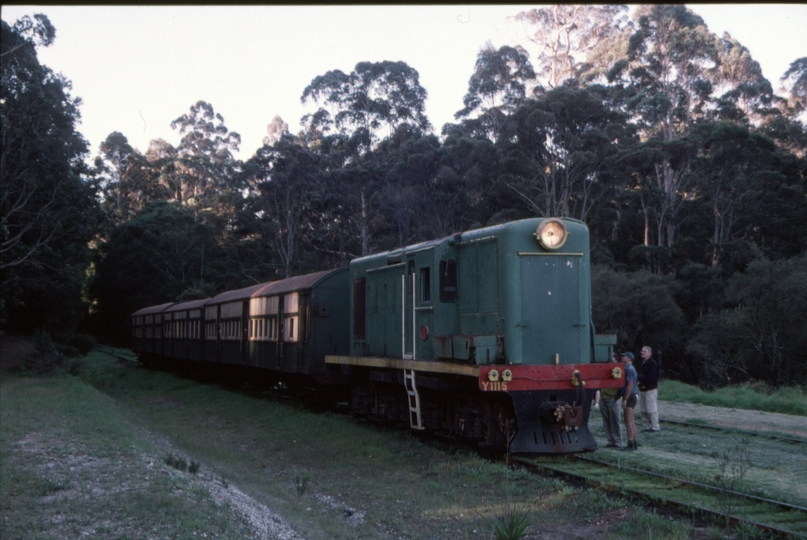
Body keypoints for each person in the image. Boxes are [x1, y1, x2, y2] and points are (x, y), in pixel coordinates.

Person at [598, 352, 623, 448]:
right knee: (606, 421)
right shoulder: (605, 370)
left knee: (615, 420)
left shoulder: (618, 370)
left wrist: (617, 397)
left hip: (612, 398)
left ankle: (618, 441)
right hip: (603, 397)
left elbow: (621, 384)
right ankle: (610, 440)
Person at [637, 345, 660, 432]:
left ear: (649, 353)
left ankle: (655, 426)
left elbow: (652, 377)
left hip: (650, 389)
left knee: (651, 408)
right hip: (642, 389)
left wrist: (642, 383)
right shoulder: (642, 363)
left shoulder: (653, 364)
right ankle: (646, 425)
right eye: (642, 351)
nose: (642, 353)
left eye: (644, 351)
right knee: (643, 408)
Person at [620, 352, 639, 451]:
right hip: (632, 396)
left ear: (629, 358)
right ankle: (634, 443)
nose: (622, 357)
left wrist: (625, 399)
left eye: (624, 356)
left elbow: (630, 385)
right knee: (631, 421)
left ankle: (630, 443)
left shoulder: (629, 369)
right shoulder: (629, 369)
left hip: (630, 396)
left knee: (628, 421)